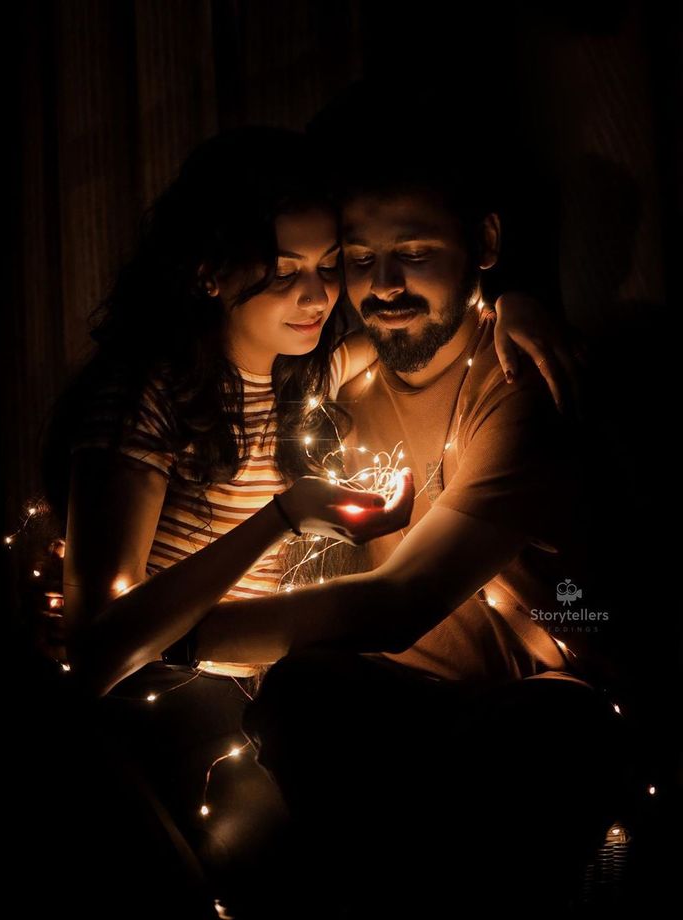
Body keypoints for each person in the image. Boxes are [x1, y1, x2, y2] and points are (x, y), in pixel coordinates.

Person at [43, 125, 578, 913]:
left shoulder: (312, 371)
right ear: (210, 268)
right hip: (155, 697)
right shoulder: (146, 398)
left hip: (252, 691)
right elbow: (99, 646)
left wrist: (517, 304)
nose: (321, 296)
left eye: (329, 267)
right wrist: (283, 516)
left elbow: (433, 318)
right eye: (287, 271)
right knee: (274, 869)